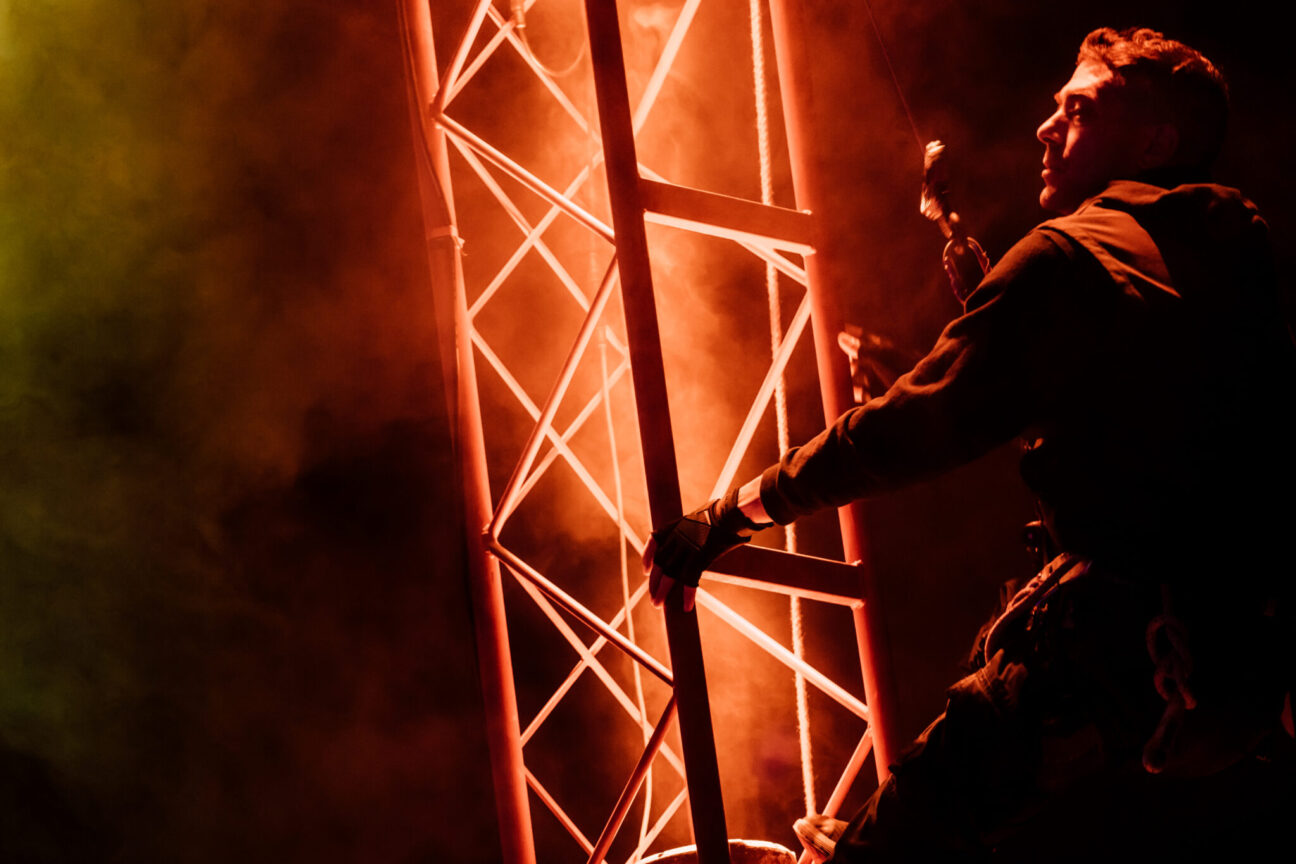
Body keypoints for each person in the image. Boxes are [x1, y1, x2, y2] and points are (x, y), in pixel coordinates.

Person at [643, 27, 1295, 861]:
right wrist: (984, 343)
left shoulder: (1067, 257)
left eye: (1078, 108)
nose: (1044, 126)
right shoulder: (1228, 263)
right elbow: (1147, 438)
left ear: (1154, 142)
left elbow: (915, 430)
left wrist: (733, 515)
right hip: (1229, 677)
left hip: (1107, 659)